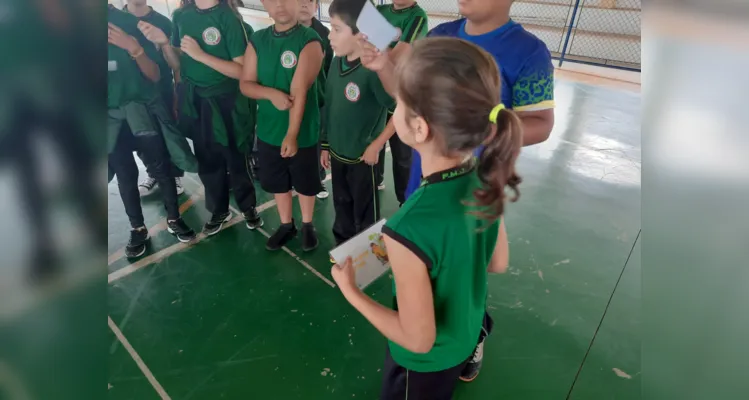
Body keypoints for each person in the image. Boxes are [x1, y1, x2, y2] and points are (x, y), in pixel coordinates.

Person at [331, 37, 517, 400]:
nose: (394, 110)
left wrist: (351, 292)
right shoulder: (485, 176)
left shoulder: (406, 227)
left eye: (398, 103)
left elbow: (418, 340)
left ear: (419, 128)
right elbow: (498, 262)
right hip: (464, 337)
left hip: (423, 366)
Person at [394, 0, 556, 381]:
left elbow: (543, 124)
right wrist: (386, 64)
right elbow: (411, 99)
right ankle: (424, 322)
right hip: (424, 182)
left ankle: (472, 332)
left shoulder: (528, 52)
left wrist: (475, 127)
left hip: (475, 186)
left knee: (466, 270)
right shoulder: (439, 36)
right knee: (427, 268)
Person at [139, 0, 264, 236]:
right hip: (198, 100)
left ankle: (249, 208)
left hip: (229, 101)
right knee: (208, 160)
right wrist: (165, 43)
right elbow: (178, 63)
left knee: (237, 157)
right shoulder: (181, 16)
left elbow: (242, 71)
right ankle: (219, 210)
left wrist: (200, 55)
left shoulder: (229, 17)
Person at [108, 5, 198, 257]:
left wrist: (134, 48)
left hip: (142, 111)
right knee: (124, 176)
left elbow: (156, 74)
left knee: (162, 167)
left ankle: (173, 218)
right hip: (108, 118)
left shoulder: (129, 23)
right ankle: (138, 228)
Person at [240, 0, 323, 252]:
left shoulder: (310, 41)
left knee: (306, 182)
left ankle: (308, 224)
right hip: (268, 130)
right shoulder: (258, 40)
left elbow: (300, 90)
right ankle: (287, 225)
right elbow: (246, 83)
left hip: (302, 131)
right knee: (278, 182)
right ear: (265, 4)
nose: (280, 5)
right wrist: (270, 94)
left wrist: (292, 133)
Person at [320, 0, 395, 249]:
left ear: (360, 35)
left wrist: (377, 144)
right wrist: (325, 144)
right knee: (341, 203)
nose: (330, 36)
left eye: (337, 29)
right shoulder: (336, 61)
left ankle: (369, 255)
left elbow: (399, 111)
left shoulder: (372, 71)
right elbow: (330, 105)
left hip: (364, 158)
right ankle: (344, 245)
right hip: (338, 152)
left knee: (365, 209)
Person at [374, 0, 428, 202]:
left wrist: (376, 51)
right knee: (373, 143)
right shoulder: (380, 10)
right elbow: (361, 40)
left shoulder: (417, 17)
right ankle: (376, 180)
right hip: (377, 92)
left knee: (403, 156)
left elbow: (398, 57)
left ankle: (405, 201)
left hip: (402, 96)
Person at [298, 0, 334, 200]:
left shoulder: (324, 34)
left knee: (315, 138)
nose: (304, 4)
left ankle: (317, 179)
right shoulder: (284, 29)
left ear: (317, 6)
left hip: (316, 96)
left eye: (309, 0)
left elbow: (327, 68)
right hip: (290, 96)